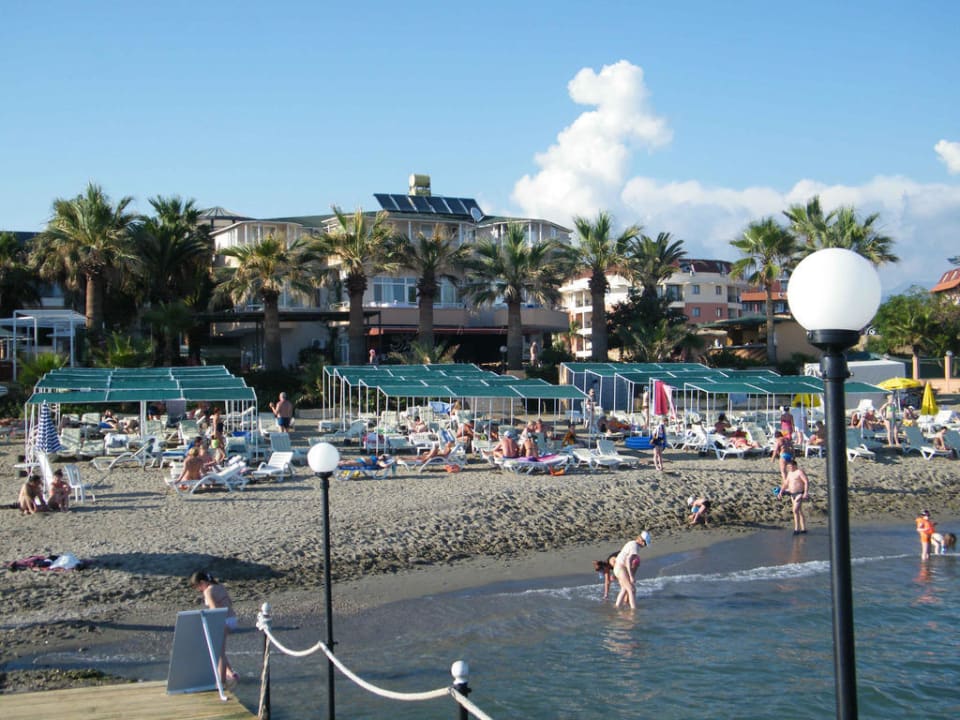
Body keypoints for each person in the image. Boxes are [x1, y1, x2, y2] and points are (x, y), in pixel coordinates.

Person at [189, 570, 239, 686]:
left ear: (202, 582)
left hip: (223, 620)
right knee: (219, 647)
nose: (199, 590)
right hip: (232, 619)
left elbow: (215, 610)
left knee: (219, 652)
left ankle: (221, 682)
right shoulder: (219, 586)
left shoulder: (208, 591)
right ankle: (231, 673)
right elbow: (229, 602)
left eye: (198, 587)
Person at [612, 531, 651, 609]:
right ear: (640, 539)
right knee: (631, 589)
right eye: (645, 543)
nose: (644, 545)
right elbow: (628, 560)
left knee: (624, 589)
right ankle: (633, 611)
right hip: (620, 567)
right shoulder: (635, 546)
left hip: (618, 567)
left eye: (646, 544)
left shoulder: (632, 543)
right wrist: (631, 576)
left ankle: (616, 607)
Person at [779, 457, 809, 535]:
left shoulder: (799, 472)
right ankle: (803, 528)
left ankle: (796, 529)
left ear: (795, 466)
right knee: (799, 511)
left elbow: (806, 482)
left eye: (790, 467)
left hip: (800, 493)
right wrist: (781, 492)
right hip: (792, 494)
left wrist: (805, 492)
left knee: (795, 510)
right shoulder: (789, 473)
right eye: (788, 467)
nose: (789, 468)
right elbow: (786, 483)